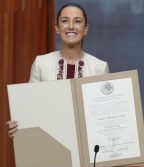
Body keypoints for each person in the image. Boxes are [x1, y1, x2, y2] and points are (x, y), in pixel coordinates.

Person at [6, 3, 109, 137]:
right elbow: (30, 108)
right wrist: (17, 126)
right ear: (57, 27)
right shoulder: (41, 63)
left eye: (77, 21)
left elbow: (104, 115)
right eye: (65, 21)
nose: (71, 26)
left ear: (85, 29)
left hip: (88, 144)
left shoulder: (100, 67)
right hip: (50, 143)